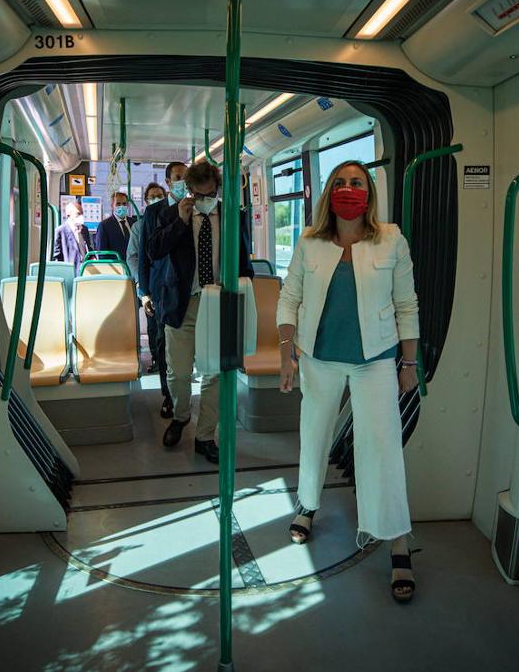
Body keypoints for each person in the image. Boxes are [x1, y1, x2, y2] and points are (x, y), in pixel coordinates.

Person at [275, 161, 422, 603]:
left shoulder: (391, 239)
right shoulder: (310, 242)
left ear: (369, 192)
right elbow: (291, 296)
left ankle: (397, 539)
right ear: (328, 194)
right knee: (314, 434)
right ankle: (308, 505)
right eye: (339, 183)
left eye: (356, 182)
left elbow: (406, 304)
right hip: (319, 357)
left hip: (374, 360)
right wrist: (287, 350)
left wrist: (409, 364)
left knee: (382, 447)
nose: (347, 189)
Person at [147, 161, 254, 463]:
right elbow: (153, 251)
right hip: (182, 302)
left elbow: (244, 262)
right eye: (199, 195)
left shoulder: (233, 216)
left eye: (210, 195)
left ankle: (206, 436)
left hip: (222, 302)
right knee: (178, 373)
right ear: (188, 192)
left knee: (217, 375)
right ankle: (181, 416)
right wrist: (180, 221)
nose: (205, 201)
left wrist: (242, 294)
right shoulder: (165, 213)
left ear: (217, 191)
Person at [127, 182, 175, 417]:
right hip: (154, 288)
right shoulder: (139, 226)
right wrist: (142, 287)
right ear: (145, 200)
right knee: (159, 337)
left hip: (175, 288)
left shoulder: (176, 219)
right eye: (151, 197)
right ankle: (167, 390)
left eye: (159, 196)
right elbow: (134, 258)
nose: (156, 199)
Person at [52, 201, 93, 272]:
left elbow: (88, 248)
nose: (81, 217)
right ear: (69, 215)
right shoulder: (61, 231)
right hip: (70, 271)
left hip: (86, 269)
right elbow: (57, 256)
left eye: (82, 213)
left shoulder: (84, 229)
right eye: (78, 214)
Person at [96, 191, 134, 255]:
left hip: (134, 263)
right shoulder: (104, 226)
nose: (121, 206)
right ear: (112, 206)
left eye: (124, 204)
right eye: (118, 204)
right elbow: (101, 252)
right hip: (116, 263)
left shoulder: (134, 223)